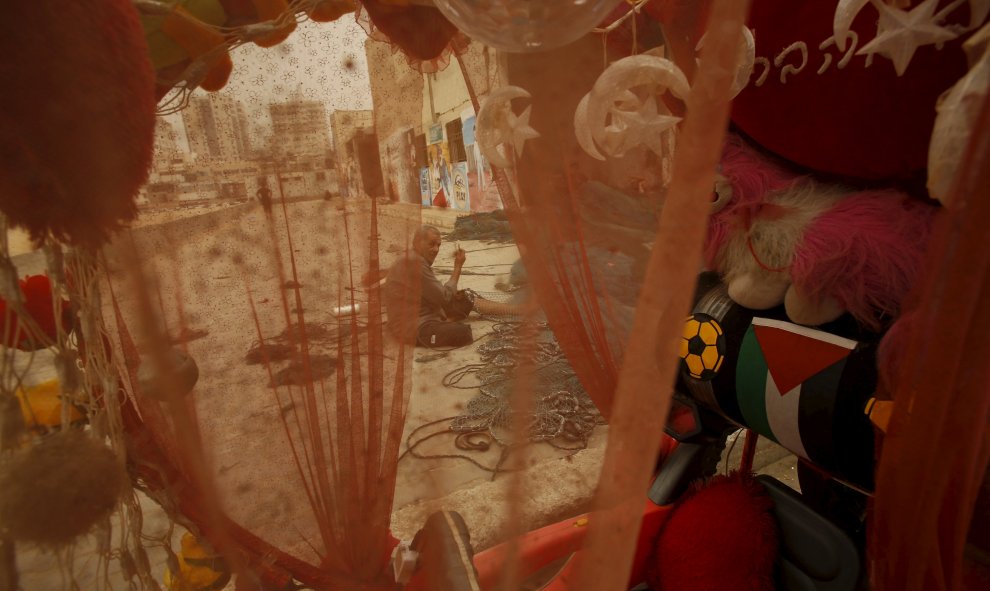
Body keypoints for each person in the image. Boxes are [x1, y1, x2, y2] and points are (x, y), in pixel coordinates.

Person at [384, 225, 472, 347]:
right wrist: (458, 267)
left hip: (419, 313)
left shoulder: (413, 257)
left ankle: (444, 320)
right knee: (464, 333)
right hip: (412, 327)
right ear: (418, 243)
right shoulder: (415, 263)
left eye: (438, 245)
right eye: (431, 244)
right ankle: (443, 322)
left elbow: (438, 294)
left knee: (466, 300)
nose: (436, 249)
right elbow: (445, 298)